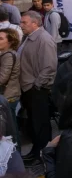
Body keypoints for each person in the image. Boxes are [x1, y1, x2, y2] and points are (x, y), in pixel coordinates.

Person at [17, 11, 57, 165]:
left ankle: (42, 154)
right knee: (34, 123)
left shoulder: (44, 39)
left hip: (36, 90)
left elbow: (49, 67)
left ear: (35, 23)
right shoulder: (29, 37)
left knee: (40, 124)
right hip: (28, 88)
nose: (21, 25)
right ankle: (36, 152)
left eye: (24, 22)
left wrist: (37, 85)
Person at [0, 28, 21, 140]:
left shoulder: (8, 55)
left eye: (1, 38)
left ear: (10, 41)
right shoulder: (6, 54)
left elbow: (2, 78)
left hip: (8, 96)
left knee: (10, 131)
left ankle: (15, 154)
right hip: (9, 95)